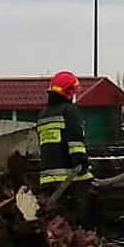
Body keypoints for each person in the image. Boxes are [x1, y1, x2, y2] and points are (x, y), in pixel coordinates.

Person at [37, 71, 98, 227]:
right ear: (69, 92)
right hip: (70, 177)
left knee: (55, 220)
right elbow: (75, 139)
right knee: (88, 211)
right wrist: (81, 161)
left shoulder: (43, 115)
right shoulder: (69, 111)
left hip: (48, 180)